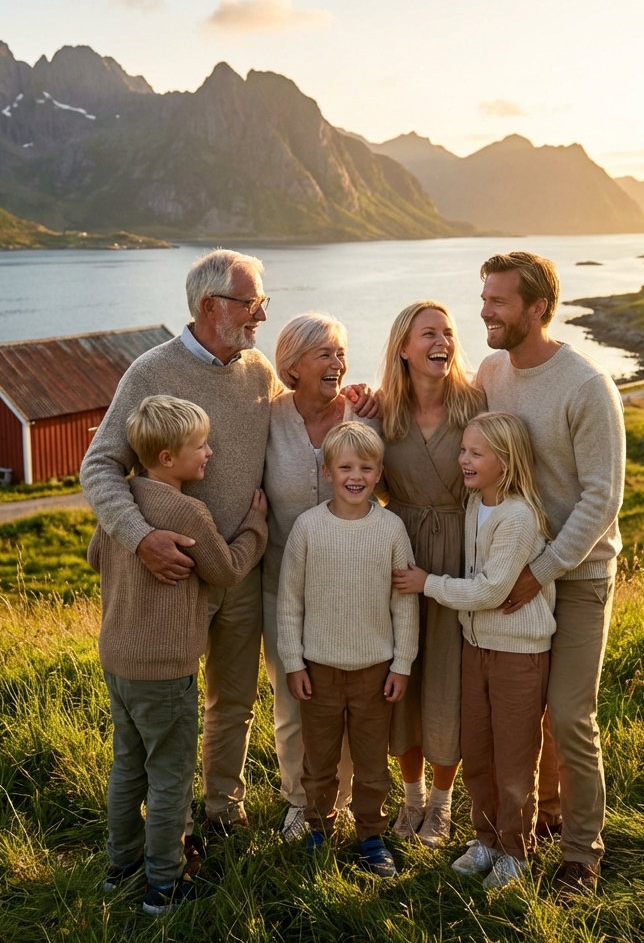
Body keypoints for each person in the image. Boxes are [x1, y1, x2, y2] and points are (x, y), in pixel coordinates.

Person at [82, 249, 377, 833]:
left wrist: (356, 399)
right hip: (167, 575)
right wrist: (141, 539)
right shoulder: (150, 372)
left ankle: (221, 808)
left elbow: (307, 418)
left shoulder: (259, 372)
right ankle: (160, 823)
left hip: (241, 569)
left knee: (233, 702)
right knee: (169, 705)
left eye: (262, 304)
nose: (261, 316)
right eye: (252, 304)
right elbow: (99, 467)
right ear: (211, 305)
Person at [476, 251, 625, 896]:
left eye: (499, 301)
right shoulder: (489, 371)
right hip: (517, 572)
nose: (485, 310)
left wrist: (543, 569)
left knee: (567, 714)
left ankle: (580, 854)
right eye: (483, 298)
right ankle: (530, 824)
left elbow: (602, 498)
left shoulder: (588, 387)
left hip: (580, 574)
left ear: (538, 309)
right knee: (520, 713)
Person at [88, 395, 268, 915]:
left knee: (128, 766)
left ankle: (120, 867)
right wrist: (256, 525)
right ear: (167, 458)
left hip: (118, 659)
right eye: (200, 446)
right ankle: (163, 885)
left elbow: (95, 555)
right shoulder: (188, 510)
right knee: (169, 777)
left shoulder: (121, 502)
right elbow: (228, 569)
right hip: (165, 669)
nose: (209, 453)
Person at [394, 412, 555, 889]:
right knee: (478, 751)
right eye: (463, 450)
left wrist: (428, 584)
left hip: (516, 653)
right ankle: (485, 839)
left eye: (475, 453)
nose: (463, 459)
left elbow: (491, 592)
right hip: (475, 646)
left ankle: (515, 851)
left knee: (514, 757)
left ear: (505, 462)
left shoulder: (519, 517)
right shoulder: (472, 505)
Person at [277, 422, 419, 878]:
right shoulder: (308, 528)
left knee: (372, 761)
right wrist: (293, 662)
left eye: (365, 467)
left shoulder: (392, 529)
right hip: (317, 671)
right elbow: (290, 602)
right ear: (327, 471)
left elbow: (404, 605)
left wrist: (402, 664)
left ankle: (371, 837)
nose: (355, 476)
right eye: (345, 467)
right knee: (318, 760)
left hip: (375, 672)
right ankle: (319, 829)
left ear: (379, 472)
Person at [377, 301, 485, 848]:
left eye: (447, 331)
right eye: (428, 333)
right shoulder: (381, 414)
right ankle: (411, 796)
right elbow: (353, 472)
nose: (441, 340)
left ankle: (442, 803)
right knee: (405, 679)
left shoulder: (475, 404)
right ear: (403, 347)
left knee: (448, 680)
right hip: (398, 558)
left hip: (459, 555)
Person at [263, 313, 358, 840]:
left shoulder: (363, 416)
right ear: (293, 365)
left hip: (350, 589)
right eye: (324, 354)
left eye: (341, 353)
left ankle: (339, 802)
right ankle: (300, 801)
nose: (337, 364)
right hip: (281, 585)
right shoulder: (268, 417)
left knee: (344, 697)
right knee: (293, 700)